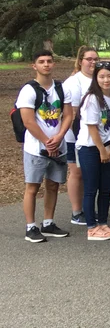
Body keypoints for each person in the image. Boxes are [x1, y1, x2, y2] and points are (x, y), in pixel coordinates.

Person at [16, 49, 73, 243]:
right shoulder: (29, 90)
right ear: (35, 66)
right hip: (36, 148)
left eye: (49, 61)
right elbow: (28, 121)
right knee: (32, 187)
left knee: (53, 185)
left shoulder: (61, 88)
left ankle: (48, 223)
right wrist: (46, 142)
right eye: (42, 61)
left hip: (59, 146)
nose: (46, 64)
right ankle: (30, 226)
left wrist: (59, 137)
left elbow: (68, 115)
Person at [76, 61, 110, 241]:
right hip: (90, 148)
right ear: (96, 78)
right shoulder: (91, 98)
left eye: (109, 76)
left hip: (109, 147)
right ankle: (92, 227)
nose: (106, 80)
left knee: (105, 188)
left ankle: (103, 223)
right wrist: (102, 150)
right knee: (91, 188)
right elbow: (92, 128)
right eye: (101, 76)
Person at [64, 45, 99, 226]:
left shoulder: (100, 79)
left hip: (97, 136)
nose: (93, 62)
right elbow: (72, 114)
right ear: (80, 61)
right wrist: (78, 137)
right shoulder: (74, 82)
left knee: (89, 174)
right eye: (89, 59)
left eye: (95, 59)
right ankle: (77, 211)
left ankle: (87, 209)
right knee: (76, 173)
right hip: (76, 136)